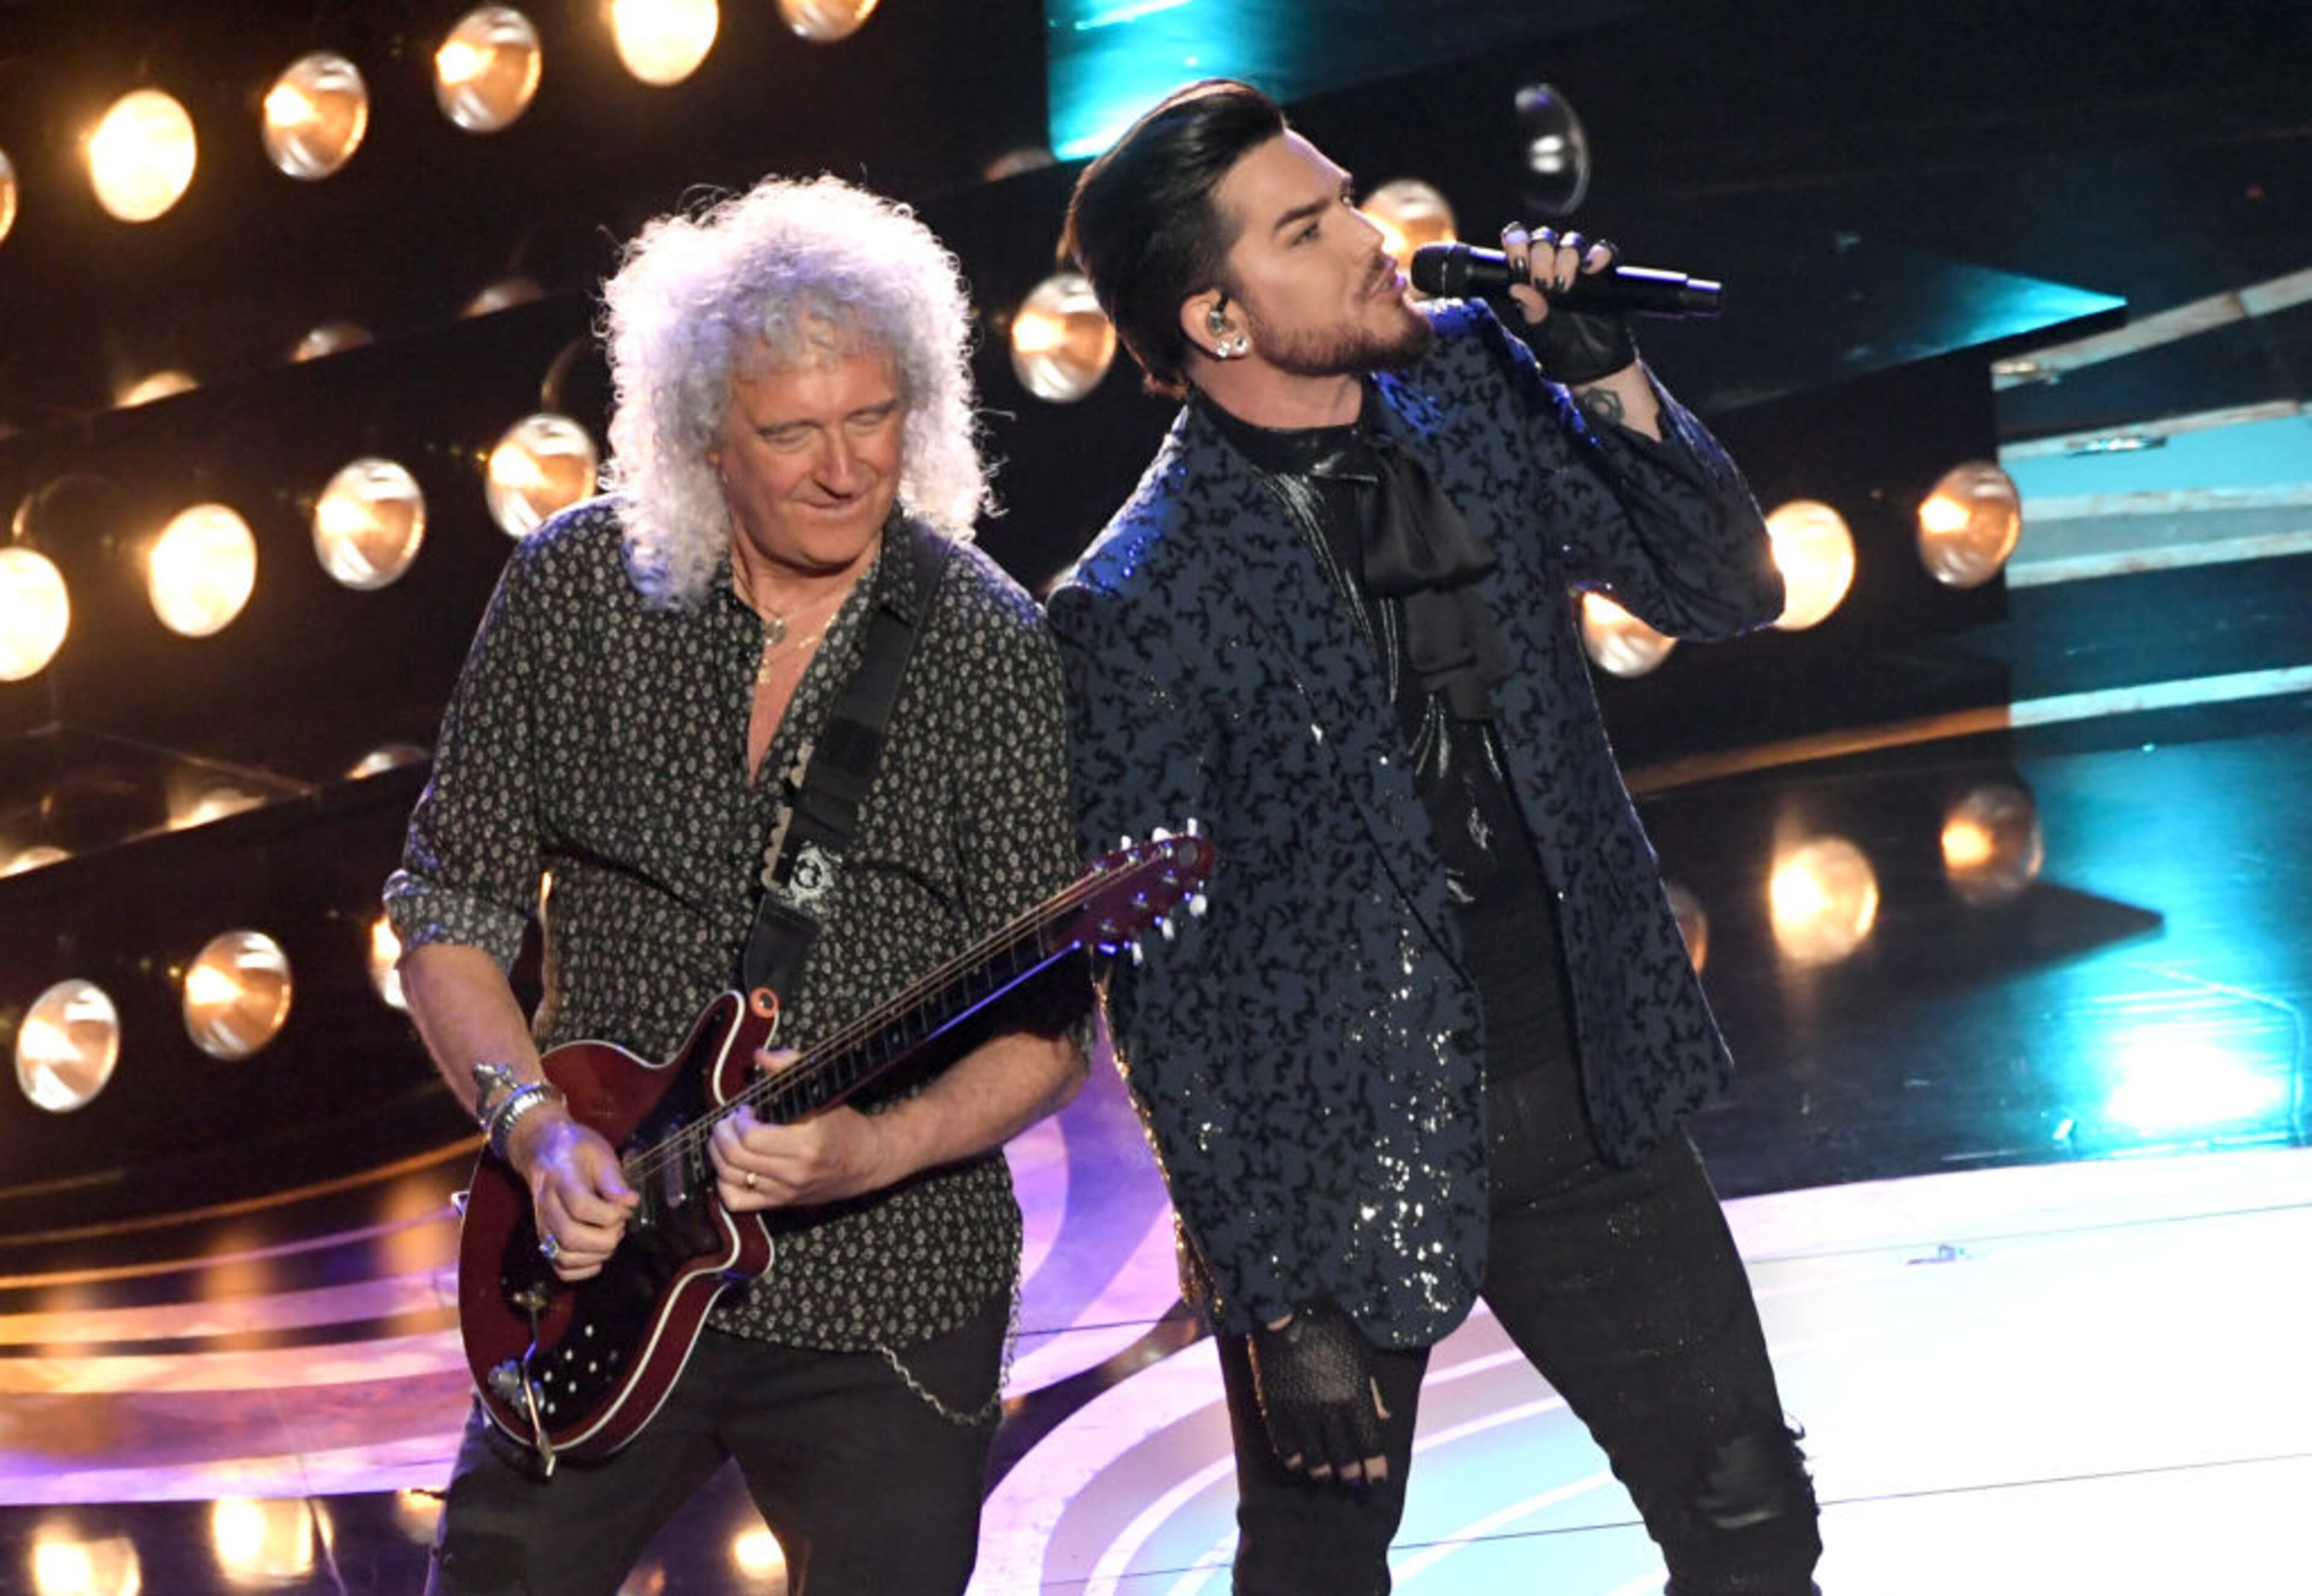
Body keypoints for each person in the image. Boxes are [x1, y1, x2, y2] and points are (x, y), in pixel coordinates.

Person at [1046, 80, 1823, 1595]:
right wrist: (1277, 1300)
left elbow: (1729, 590)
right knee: (1320, 1563)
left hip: (1585, 1083)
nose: (1372, 236)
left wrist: (1606, 376)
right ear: (1217, 318)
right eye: (1311, 226)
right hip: (1341, 1160)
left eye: (1345, 199)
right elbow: (1171, 1004)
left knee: (1750, 1521)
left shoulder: (1474, 387)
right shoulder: (1137, 601)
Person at [384, 173, 1088, 1595]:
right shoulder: (573, 595)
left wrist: (872, 1152)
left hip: (883, 1287)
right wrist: (532, 1129)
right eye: (792, 433)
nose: (847, 470)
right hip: (584, 1267)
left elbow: (1051, 1035)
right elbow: (448, 914)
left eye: (874, 418)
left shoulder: (987, 649)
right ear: (704, 439)